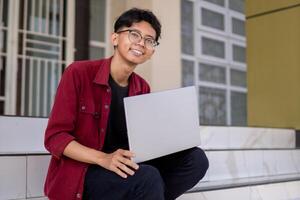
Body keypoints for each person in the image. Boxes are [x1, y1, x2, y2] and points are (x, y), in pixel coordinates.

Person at [44, 8, 209, 200]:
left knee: (196, 160)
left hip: (123, 167)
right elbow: (55, 137)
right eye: (134, 34)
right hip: (85, 171)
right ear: (115, 38)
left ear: (152, 51)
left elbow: (143, 143)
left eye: (149, 40)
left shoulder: (142, 87)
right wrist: (103, 158)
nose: (141, 43)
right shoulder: (78, 73)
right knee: (148, 178)